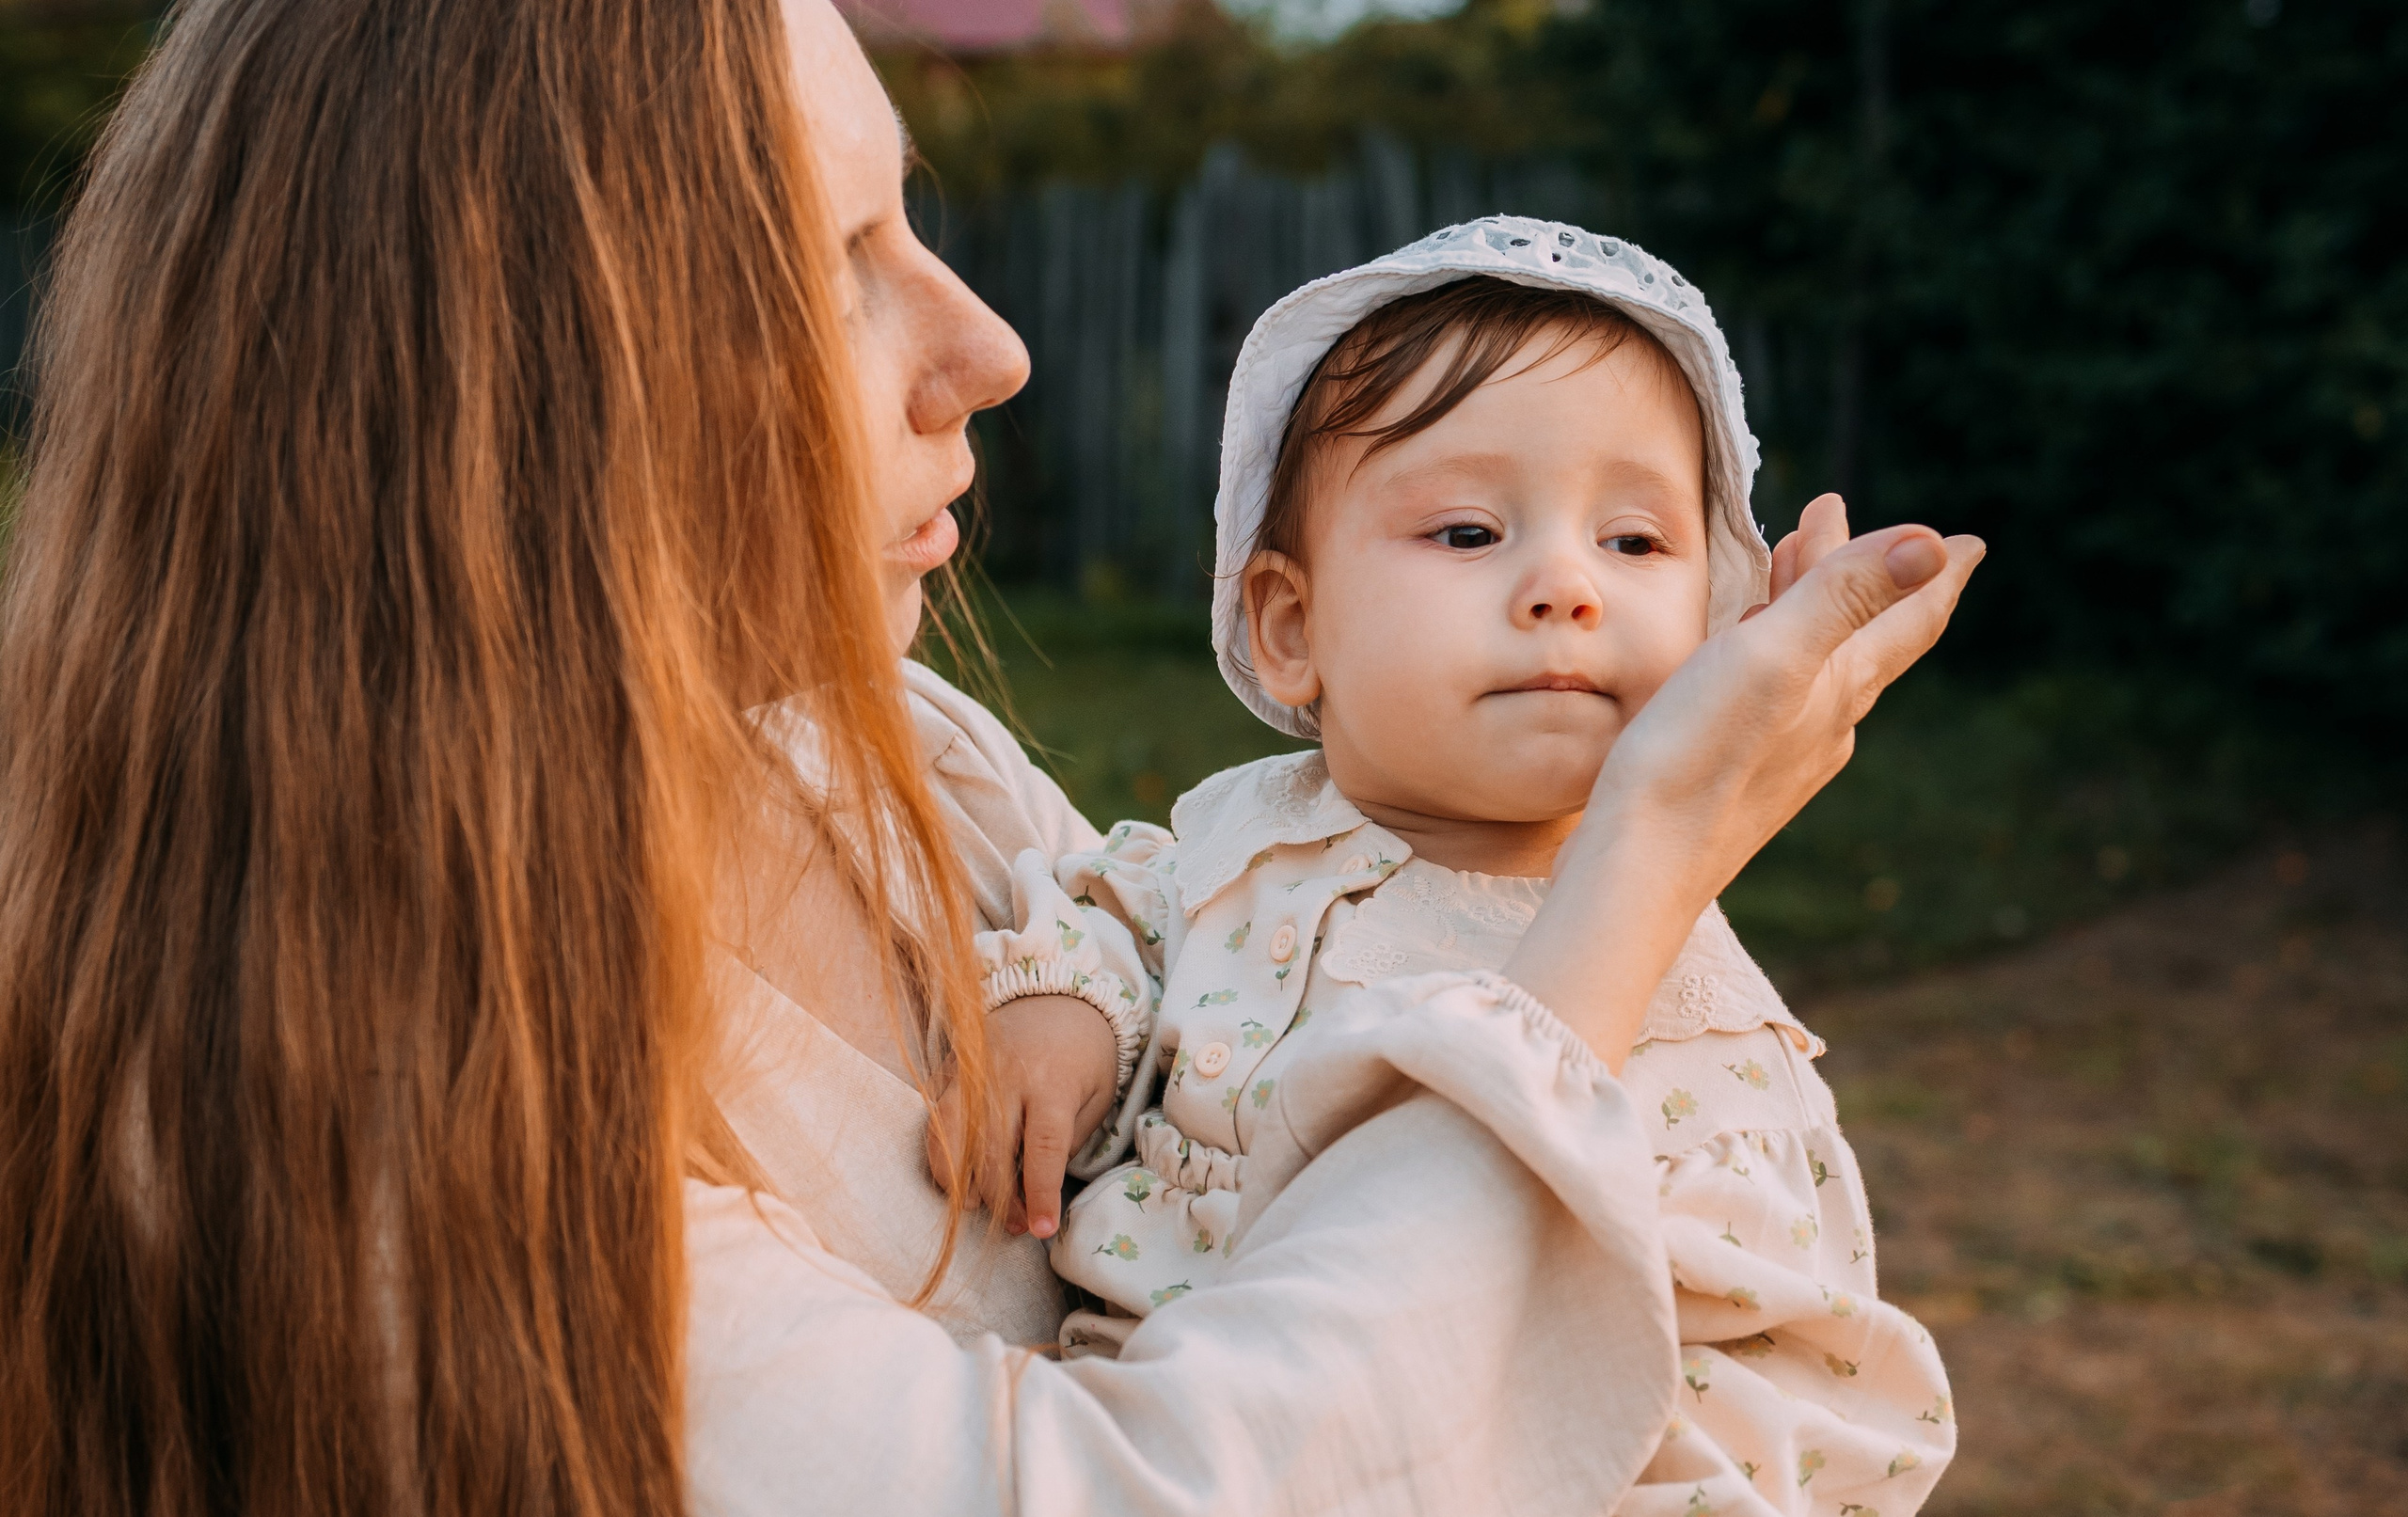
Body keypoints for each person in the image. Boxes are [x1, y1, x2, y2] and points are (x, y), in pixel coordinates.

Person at [0, 2, 1981, 1514]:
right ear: (515, 387)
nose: (987, 345)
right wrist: (1633, 871)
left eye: (913, 220)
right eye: (835, 255)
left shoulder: (898, 768)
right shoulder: (373, 1115)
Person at [950, 225, 1956, 1517]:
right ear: (1291, 623)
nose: (1564, 585)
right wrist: (1059, 1006)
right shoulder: (1232, 841)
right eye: (1471, 529)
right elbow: (1112, 910)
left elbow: (1760, 1369)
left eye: (1638, 543)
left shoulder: (1680, 1008)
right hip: (1160, 1436)